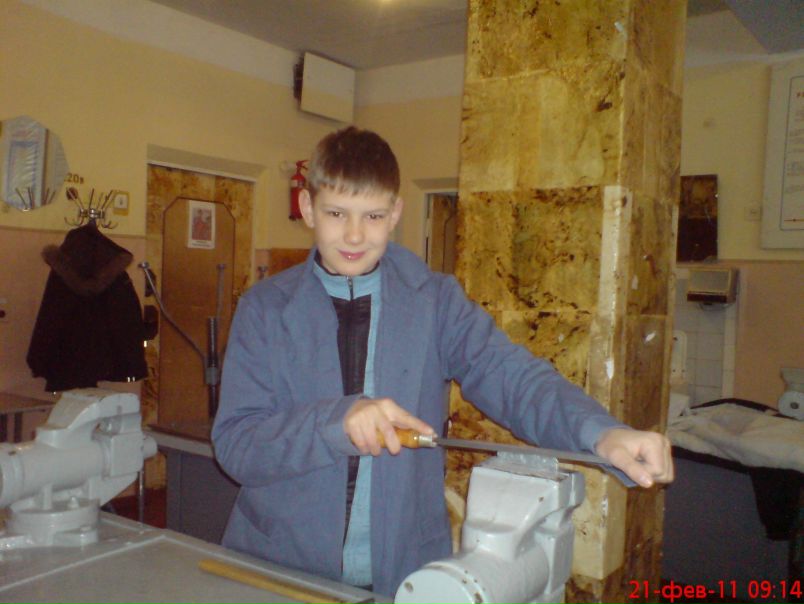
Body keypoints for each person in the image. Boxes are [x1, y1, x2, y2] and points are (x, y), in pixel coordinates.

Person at [212, 126, 673, 597]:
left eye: (373, 215)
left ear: (395, 213)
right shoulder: (264, 310)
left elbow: (514, 378)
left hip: (402, 575)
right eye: (336, 213)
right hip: (278, 569)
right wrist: (336, 422)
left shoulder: (434, 301)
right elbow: (236, 446)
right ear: (308, 208)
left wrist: (601, 433)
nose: (354, 234)